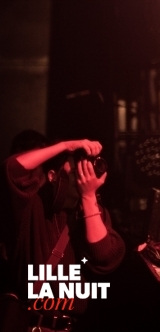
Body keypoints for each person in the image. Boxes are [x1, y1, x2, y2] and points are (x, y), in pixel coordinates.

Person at [4, 137, 125, 327]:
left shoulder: (92, 212)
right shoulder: (32, 207)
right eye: (75, 165)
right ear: (53, 176)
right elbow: (12, 169)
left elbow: (102, 255)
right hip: (29, 324)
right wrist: (65, 146)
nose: (83, 172)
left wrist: (88, 196)